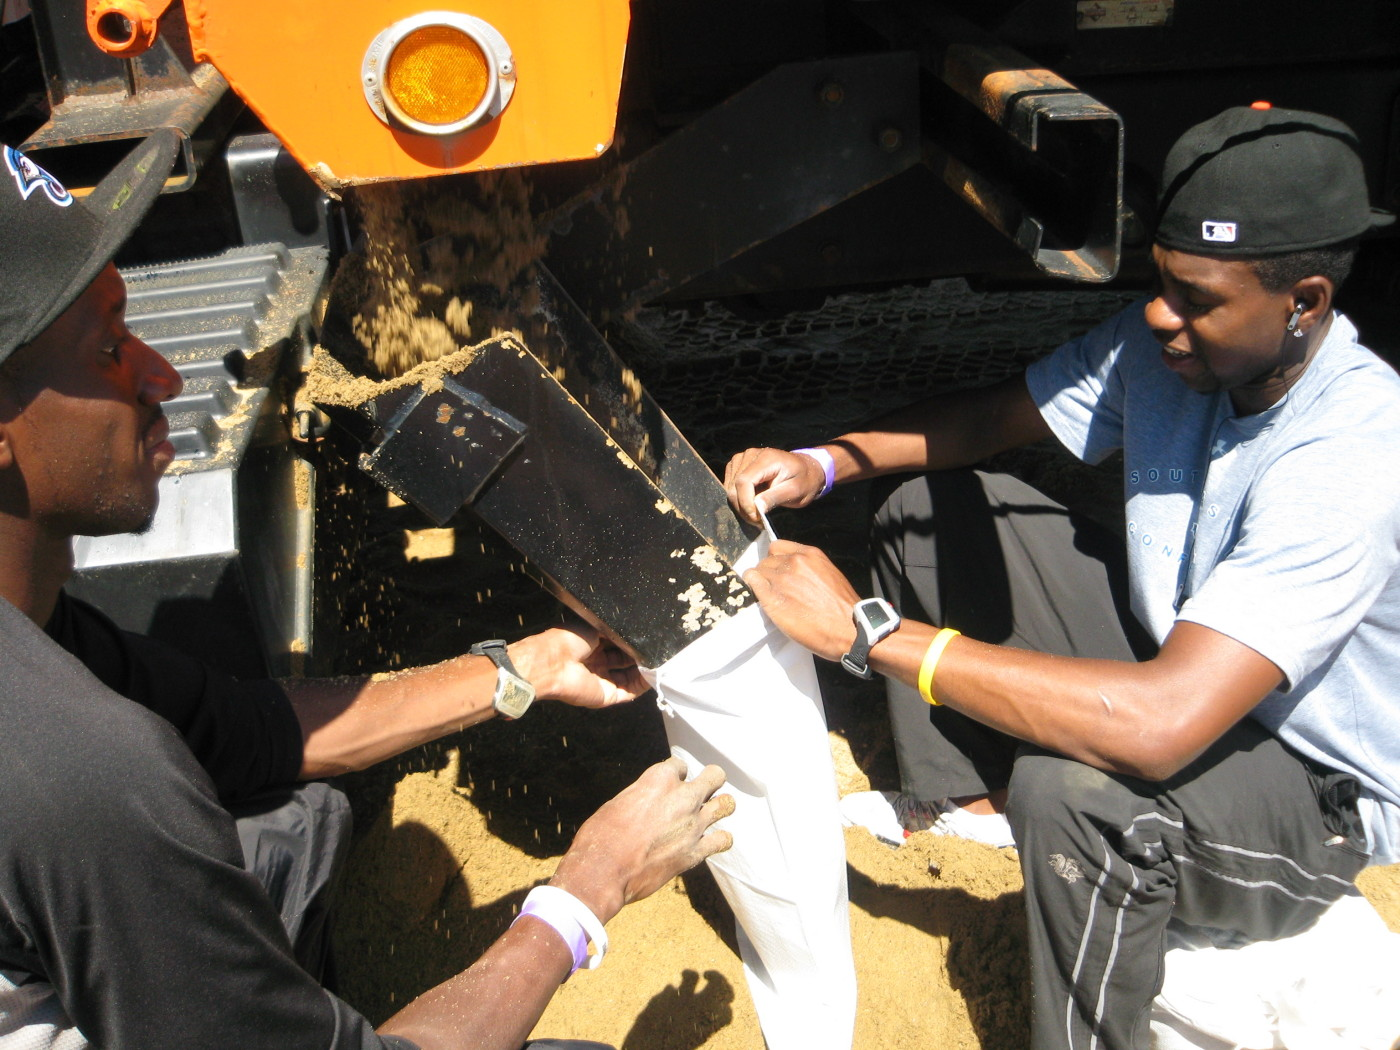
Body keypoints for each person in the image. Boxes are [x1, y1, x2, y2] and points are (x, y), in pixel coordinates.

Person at [0, 131, 734, 1050]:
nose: (164, 374)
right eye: (109, 350)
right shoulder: (85, 779)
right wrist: (589, 888)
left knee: (298, 829)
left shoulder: (38, 638)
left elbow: (247, 734)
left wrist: (523, 669)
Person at [724, 103, 1398, 1049]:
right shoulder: (1167, 351)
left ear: (1306, 303)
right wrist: (826, 460)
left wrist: (868, 636)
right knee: (926, 510)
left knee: (1075, 798)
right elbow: (994, 418)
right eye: (1161, 283)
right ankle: (965, 802)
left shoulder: (1351, 454)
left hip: (1310, 800)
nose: (1162, 315)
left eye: (1198, 299)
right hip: (1190, 665)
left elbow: (1162, 727)